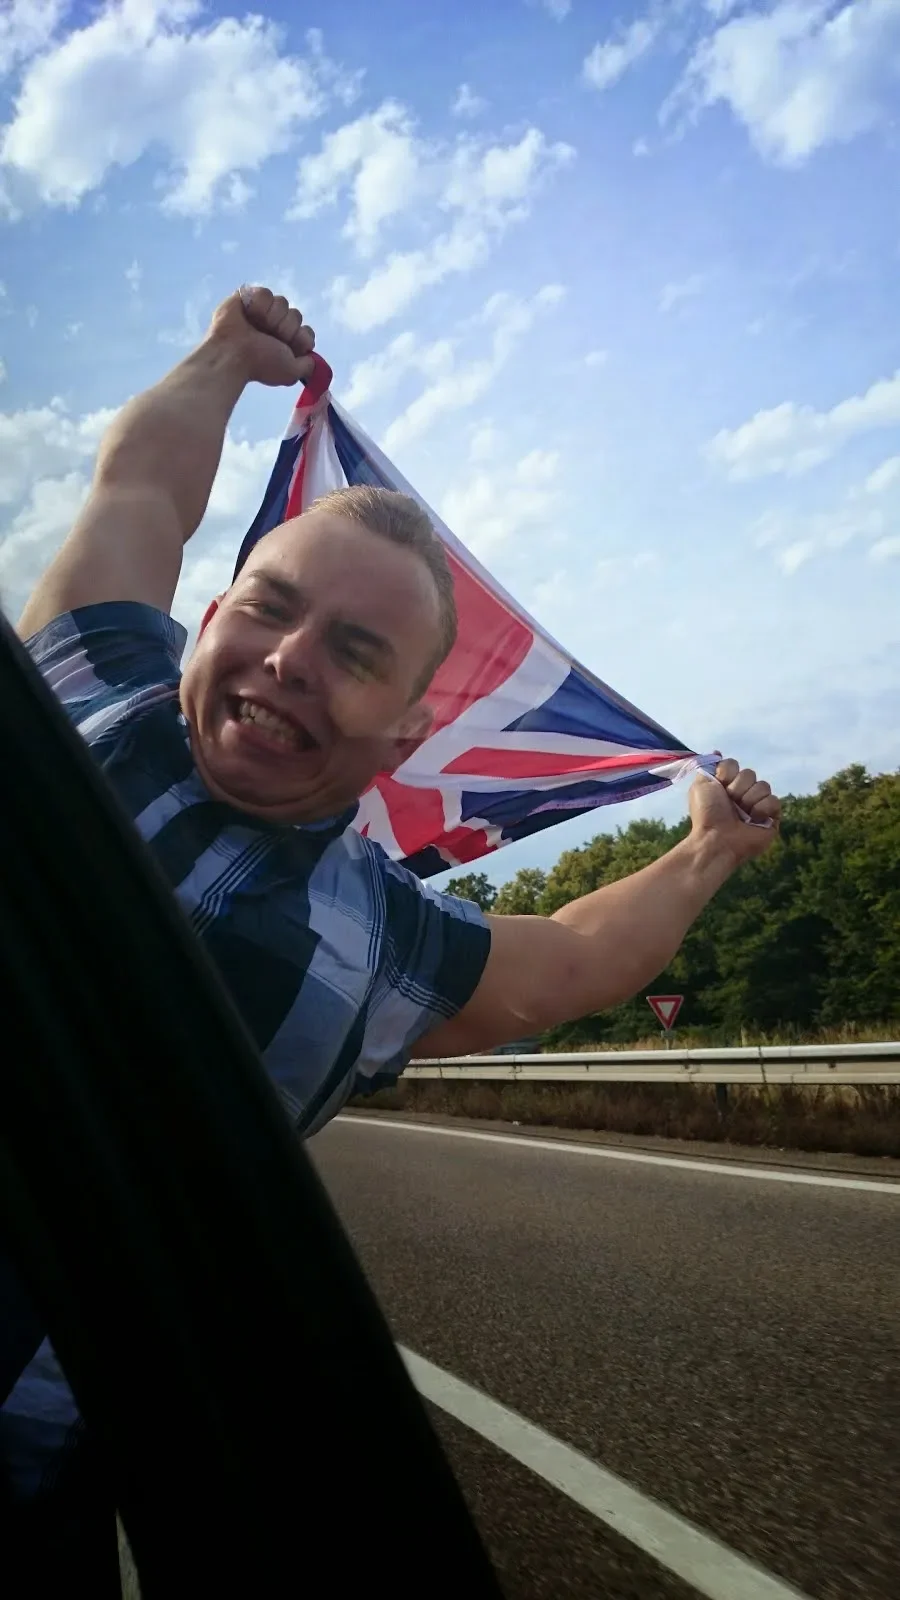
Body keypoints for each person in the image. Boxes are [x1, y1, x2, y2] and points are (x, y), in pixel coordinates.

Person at [2, 286, 781, 1576]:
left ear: (409, 732)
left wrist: (704, 852)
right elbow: (142, 489)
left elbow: (576, 962)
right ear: (209, 619)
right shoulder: (89, 688)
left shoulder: (389, 943)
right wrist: (224, 361)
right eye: (267, 606)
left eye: (357, 652)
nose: (291, 657)